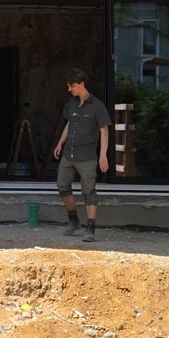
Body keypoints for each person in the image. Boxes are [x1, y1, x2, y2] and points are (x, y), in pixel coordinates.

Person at [52, 68, 111, 242]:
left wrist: (103, 155)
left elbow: (104, 131)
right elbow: (69, 124)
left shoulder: (97, 106)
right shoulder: (72, 103)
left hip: (87, 157)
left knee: (89, 191)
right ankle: (73, 219)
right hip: (68, 153)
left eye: (71, 86)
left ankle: (90, 228)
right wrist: (60, 143)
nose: (69, 89)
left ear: (81, 84)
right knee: (62, 185)